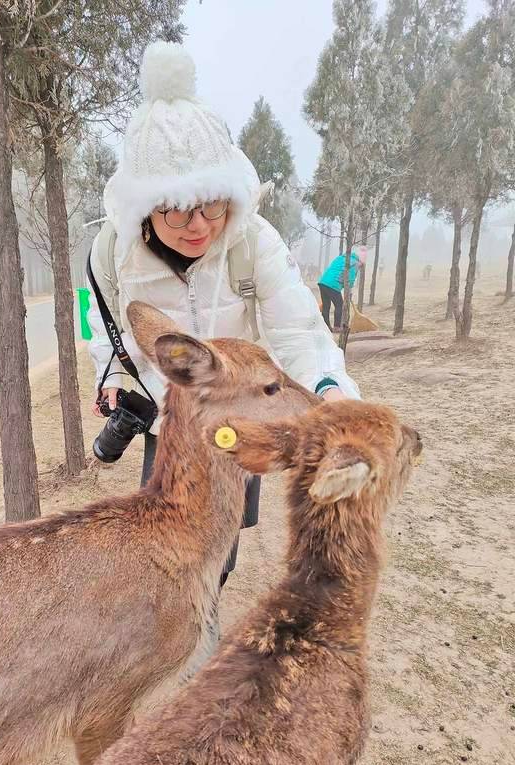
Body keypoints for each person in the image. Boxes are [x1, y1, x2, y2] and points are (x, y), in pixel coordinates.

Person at [86, 41, 360, 587]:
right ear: (144, 209)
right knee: (166, 533)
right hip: (173, 424)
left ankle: (212, 594)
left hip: (240, 421)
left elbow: (297, 327)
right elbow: (104, 328)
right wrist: (113, 377)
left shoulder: (251, 241)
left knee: (222, 539)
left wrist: (329, 390)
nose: (200, 225)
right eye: (178, 210)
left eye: (214, 204)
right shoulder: (110, 253)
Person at [317, 246, 367, 331]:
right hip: (333, 284)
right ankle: (337, 327)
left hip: (323, 282)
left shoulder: (342, 258)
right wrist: (349, 291)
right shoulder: (355, 263)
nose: (359, 268)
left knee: (326, 306)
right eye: (361, 266)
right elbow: (349, 278)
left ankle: (326, 327)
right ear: (360, 262)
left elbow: (338, 271)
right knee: (339, 305)